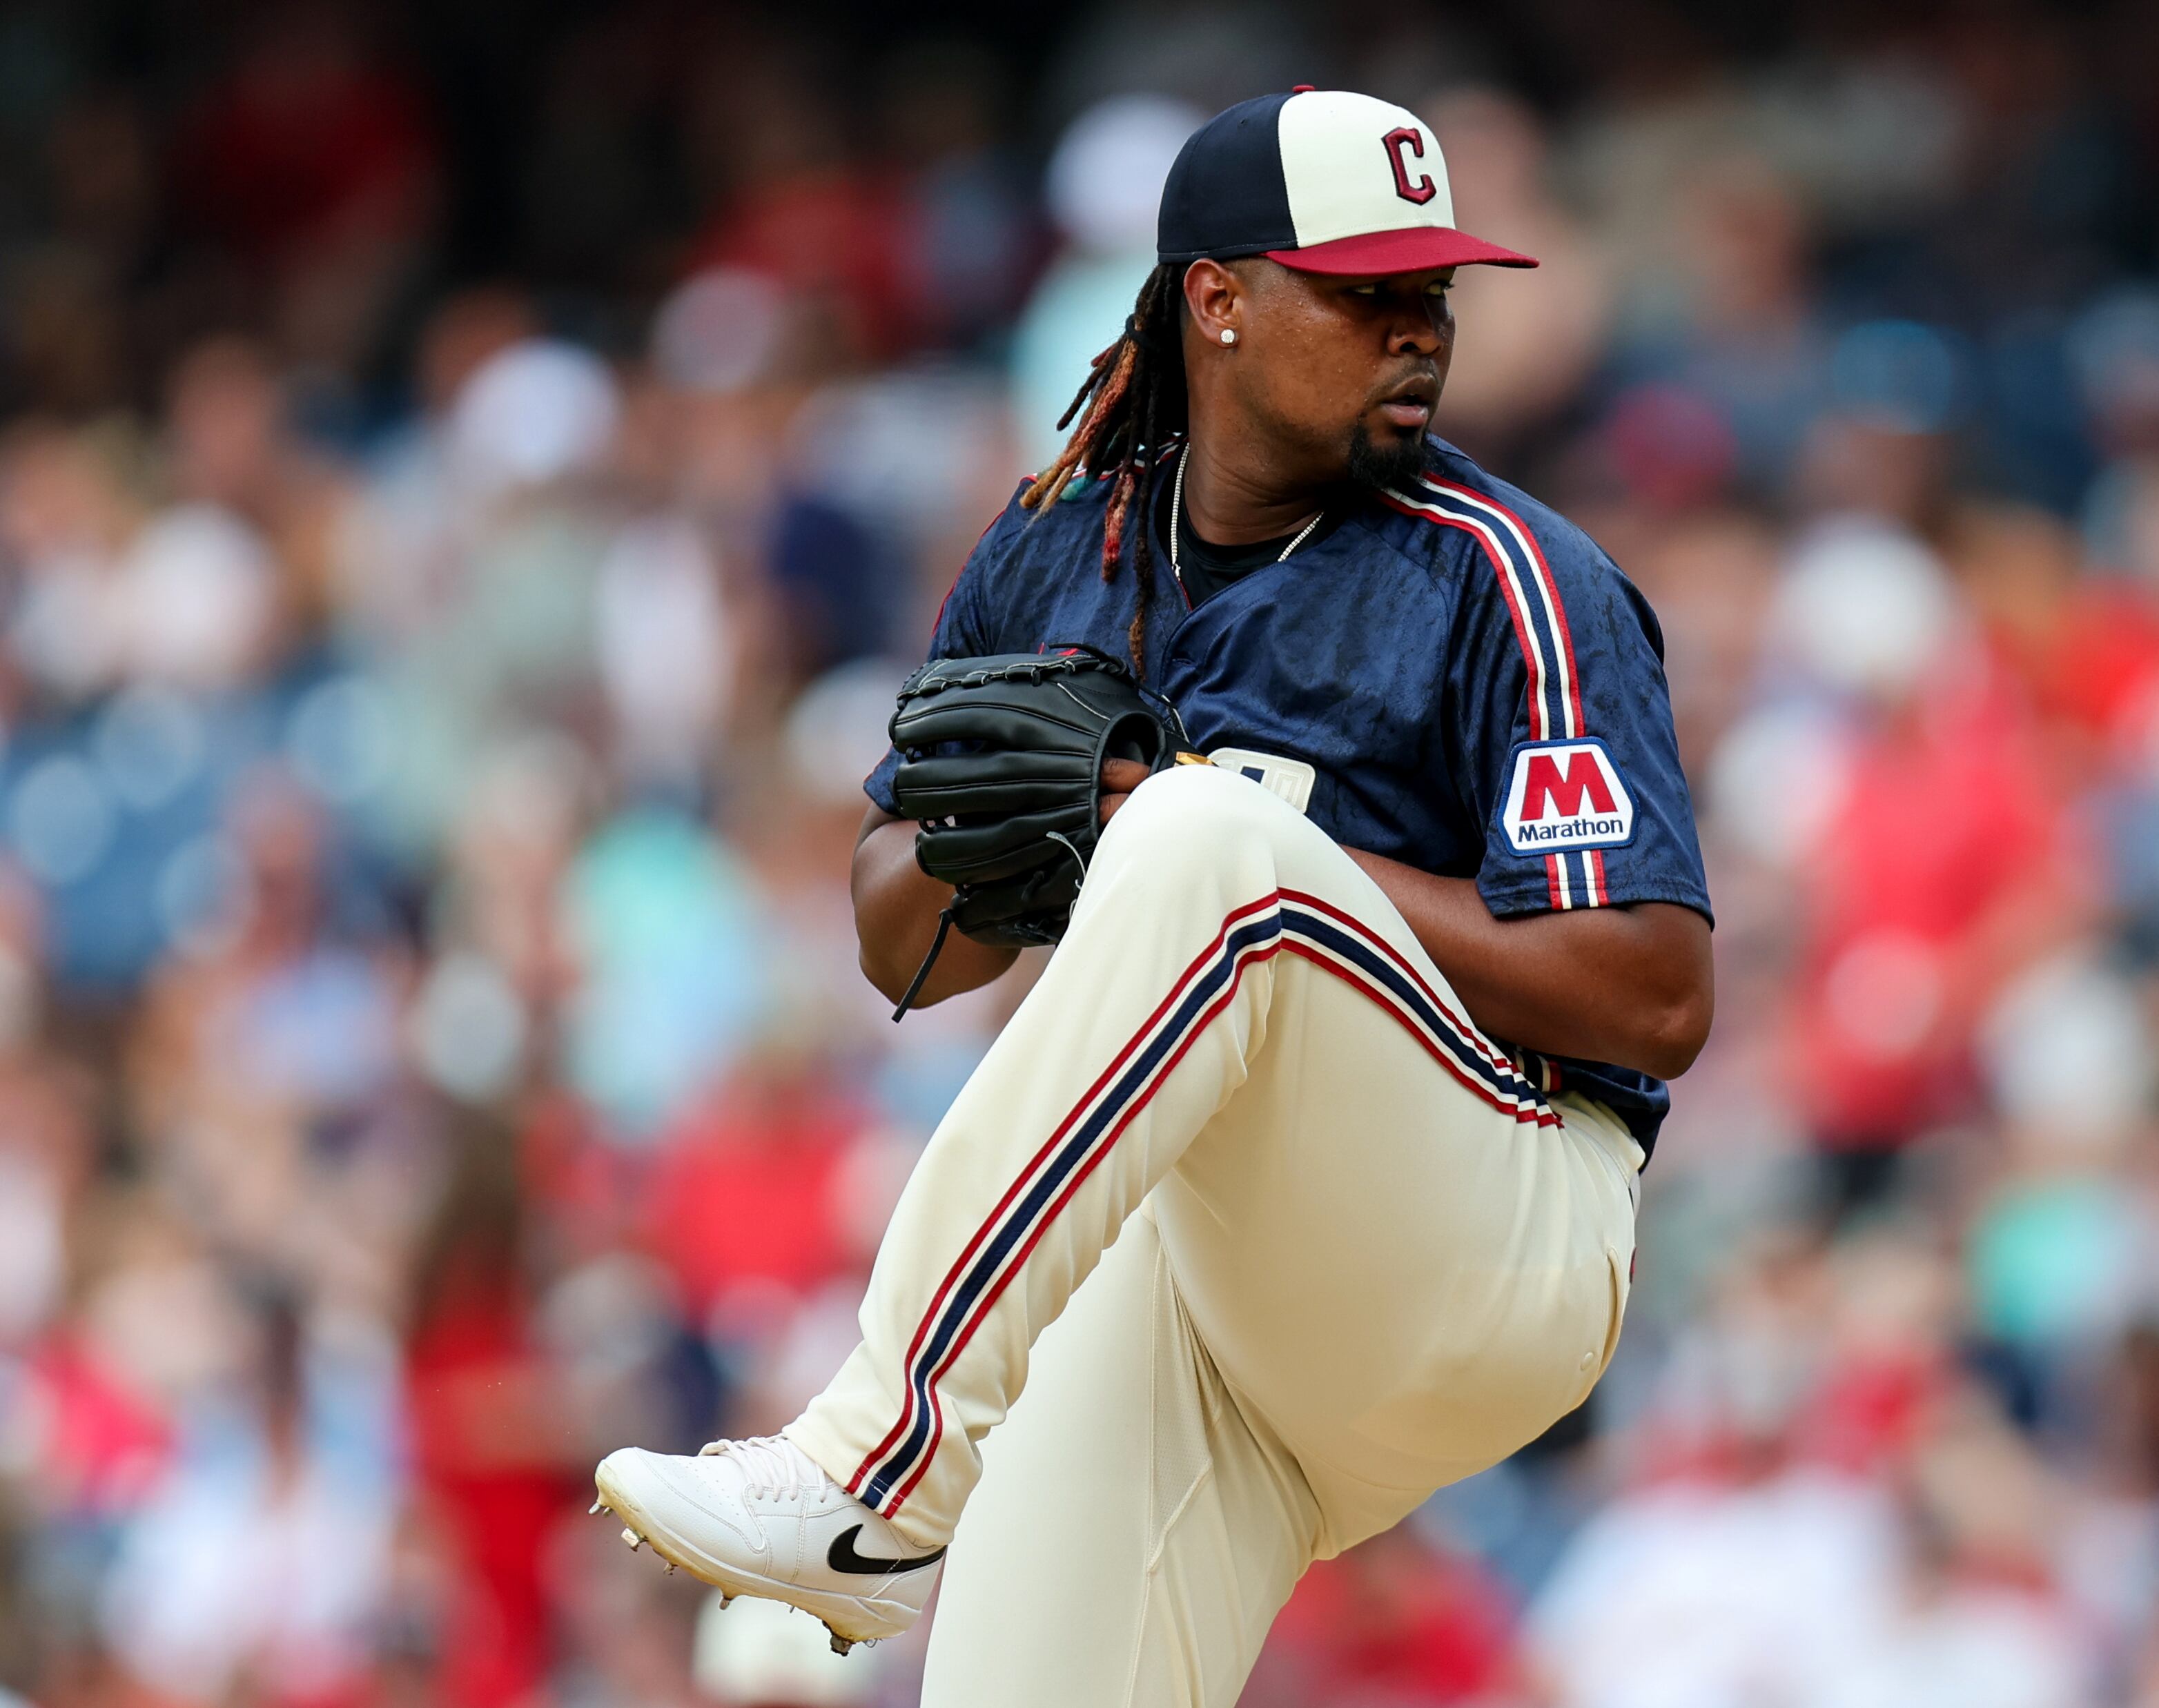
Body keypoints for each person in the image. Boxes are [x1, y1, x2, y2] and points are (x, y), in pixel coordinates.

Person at [594, 88, 1717, 1708]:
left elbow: (1655, 996)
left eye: (1433, 297)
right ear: (1218, 300)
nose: (1418, 334)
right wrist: (1020, 838)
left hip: (1496, 1226)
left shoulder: (1509, 574)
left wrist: (1186, 821)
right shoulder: (1057, 555)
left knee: (1203, 844)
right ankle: (892, 1489)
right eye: (1367, 292)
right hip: (1218, 1295)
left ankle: (877, 1465)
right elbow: (896, 940)